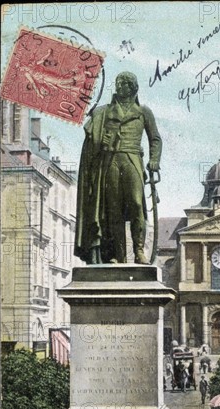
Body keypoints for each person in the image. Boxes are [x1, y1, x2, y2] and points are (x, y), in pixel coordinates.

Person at [74, 71, 162, 265]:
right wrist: (99, 138)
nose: (119, 86)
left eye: (124, 83)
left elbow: (155, 138)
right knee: (113, 210)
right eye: (118, 83)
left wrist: (154, 160)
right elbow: (94, 138)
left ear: (133, 88)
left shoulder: (143, 112)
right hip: (111, 161)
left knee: (137, 205)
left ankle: (139, 251)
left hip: (132, 160)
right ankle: (118, 255)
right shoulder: (105, 112)